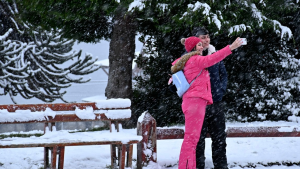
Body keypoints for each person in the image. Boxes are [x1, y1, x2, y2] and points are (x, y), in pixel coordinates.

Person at [171, 36, 243, 169]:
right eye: (199, 45)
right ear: (193, 48)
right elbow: (213, 58)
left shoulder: (185, 60)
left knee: (191, 140)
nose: (202, 47)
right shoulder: (196, 60)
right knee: (191, 140)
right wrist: (231, 47)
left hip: (192, 102)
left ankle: (189, 166)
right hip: (196, 103)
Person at [193, 27, 229, 169]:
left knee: (220, 139)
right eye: (203, 37)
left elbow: (223, 75)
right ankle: (198, 166)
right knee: (198, 140)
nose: (206, 40)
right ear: (196, 41)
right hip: (198, 105)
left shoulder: (215, 54)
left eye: (207, 36)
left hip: (215, 103)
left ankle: (221, 166)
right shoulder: (190, 57)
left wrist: (220, 91)